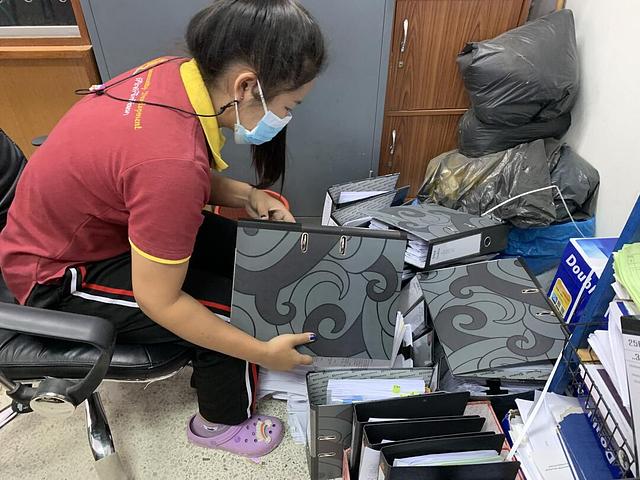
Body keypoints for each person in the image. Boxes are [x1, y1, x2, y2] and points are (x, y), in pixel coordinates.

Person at [0, 0, 326, 459]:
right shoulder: (171, 164)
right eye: (288, 106)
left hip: (99, 225)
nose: (287, 117)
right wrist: (261, 351)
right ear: (246, 86)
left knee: (252, 254)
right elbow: (162, 299)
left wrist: (247, 195)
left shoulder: (172, 74)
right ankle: (219, 423)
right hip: (57, 275)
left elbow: (156, 173)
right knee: (237, 314)